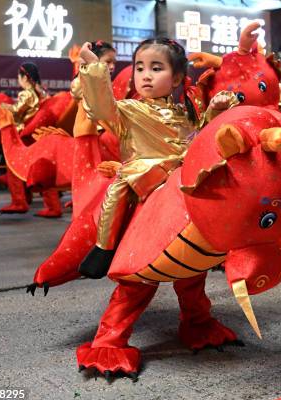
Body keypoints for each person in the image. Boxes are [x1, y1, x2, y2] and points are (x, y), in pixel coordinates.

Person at [77, 38, 198, 279]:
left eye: (156, 68)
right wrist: (94, 68)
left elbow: (201, 137)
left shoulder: (186, 114)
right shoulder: (128, 109)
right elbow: (101, 108)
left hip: (181, 181)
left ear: (175, 78)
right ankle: (104, 248)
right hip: (142, 179)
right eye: (139, 68)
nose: (146, 75)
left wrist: (217, 110)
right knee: (116, 191)